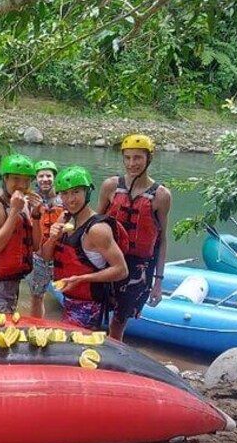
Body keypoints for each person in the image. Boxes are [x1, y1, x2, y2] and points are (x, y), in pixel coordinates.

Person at [98, 134, 171, 340]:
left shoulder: (161, 195)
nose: (132, 163)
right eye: (128, 157)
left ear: (149, 159)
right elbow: (94, 225)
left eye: (138, 158)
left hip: (138, 267)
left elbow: (161, 240)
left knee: (119, 321)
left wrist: (158, 281)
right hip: (107, 260)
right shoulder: (110, 186)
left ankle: (112, 362)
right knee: (94, 313)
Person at [40, 166, 127, 329]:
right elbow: (45, 256)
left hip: (89, 305)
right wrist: (53, 238)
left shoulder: (97, 229)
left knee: (74, 349)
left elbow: (121, 270)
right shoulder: (64, 217)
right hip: (69, 300)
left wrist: (81, 279)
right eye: (64, 193)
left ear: (87, 192)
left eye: (76, 192)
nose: (70, 199)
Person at [0, 153, 41, 313]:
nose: (22, 185)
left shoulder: (23, 204)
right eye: (16, 179)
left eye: (26, 180)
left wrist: (37, 215)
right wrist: (14, 212)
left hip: (14, 281)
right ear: (5, 178)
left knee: (7, 325)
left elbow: (36, 246)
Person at [27, 160, 64, 318]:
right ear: (36, 179)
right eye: (41, 176)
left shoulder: (66, 198)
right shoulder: (31, 200)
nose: (45, 179)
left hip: (61, 254)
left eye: (48, 175)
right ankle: (36, 326)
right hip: (38, 256)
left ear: (54, 178)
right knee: (37, 296)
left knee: (69, 296)